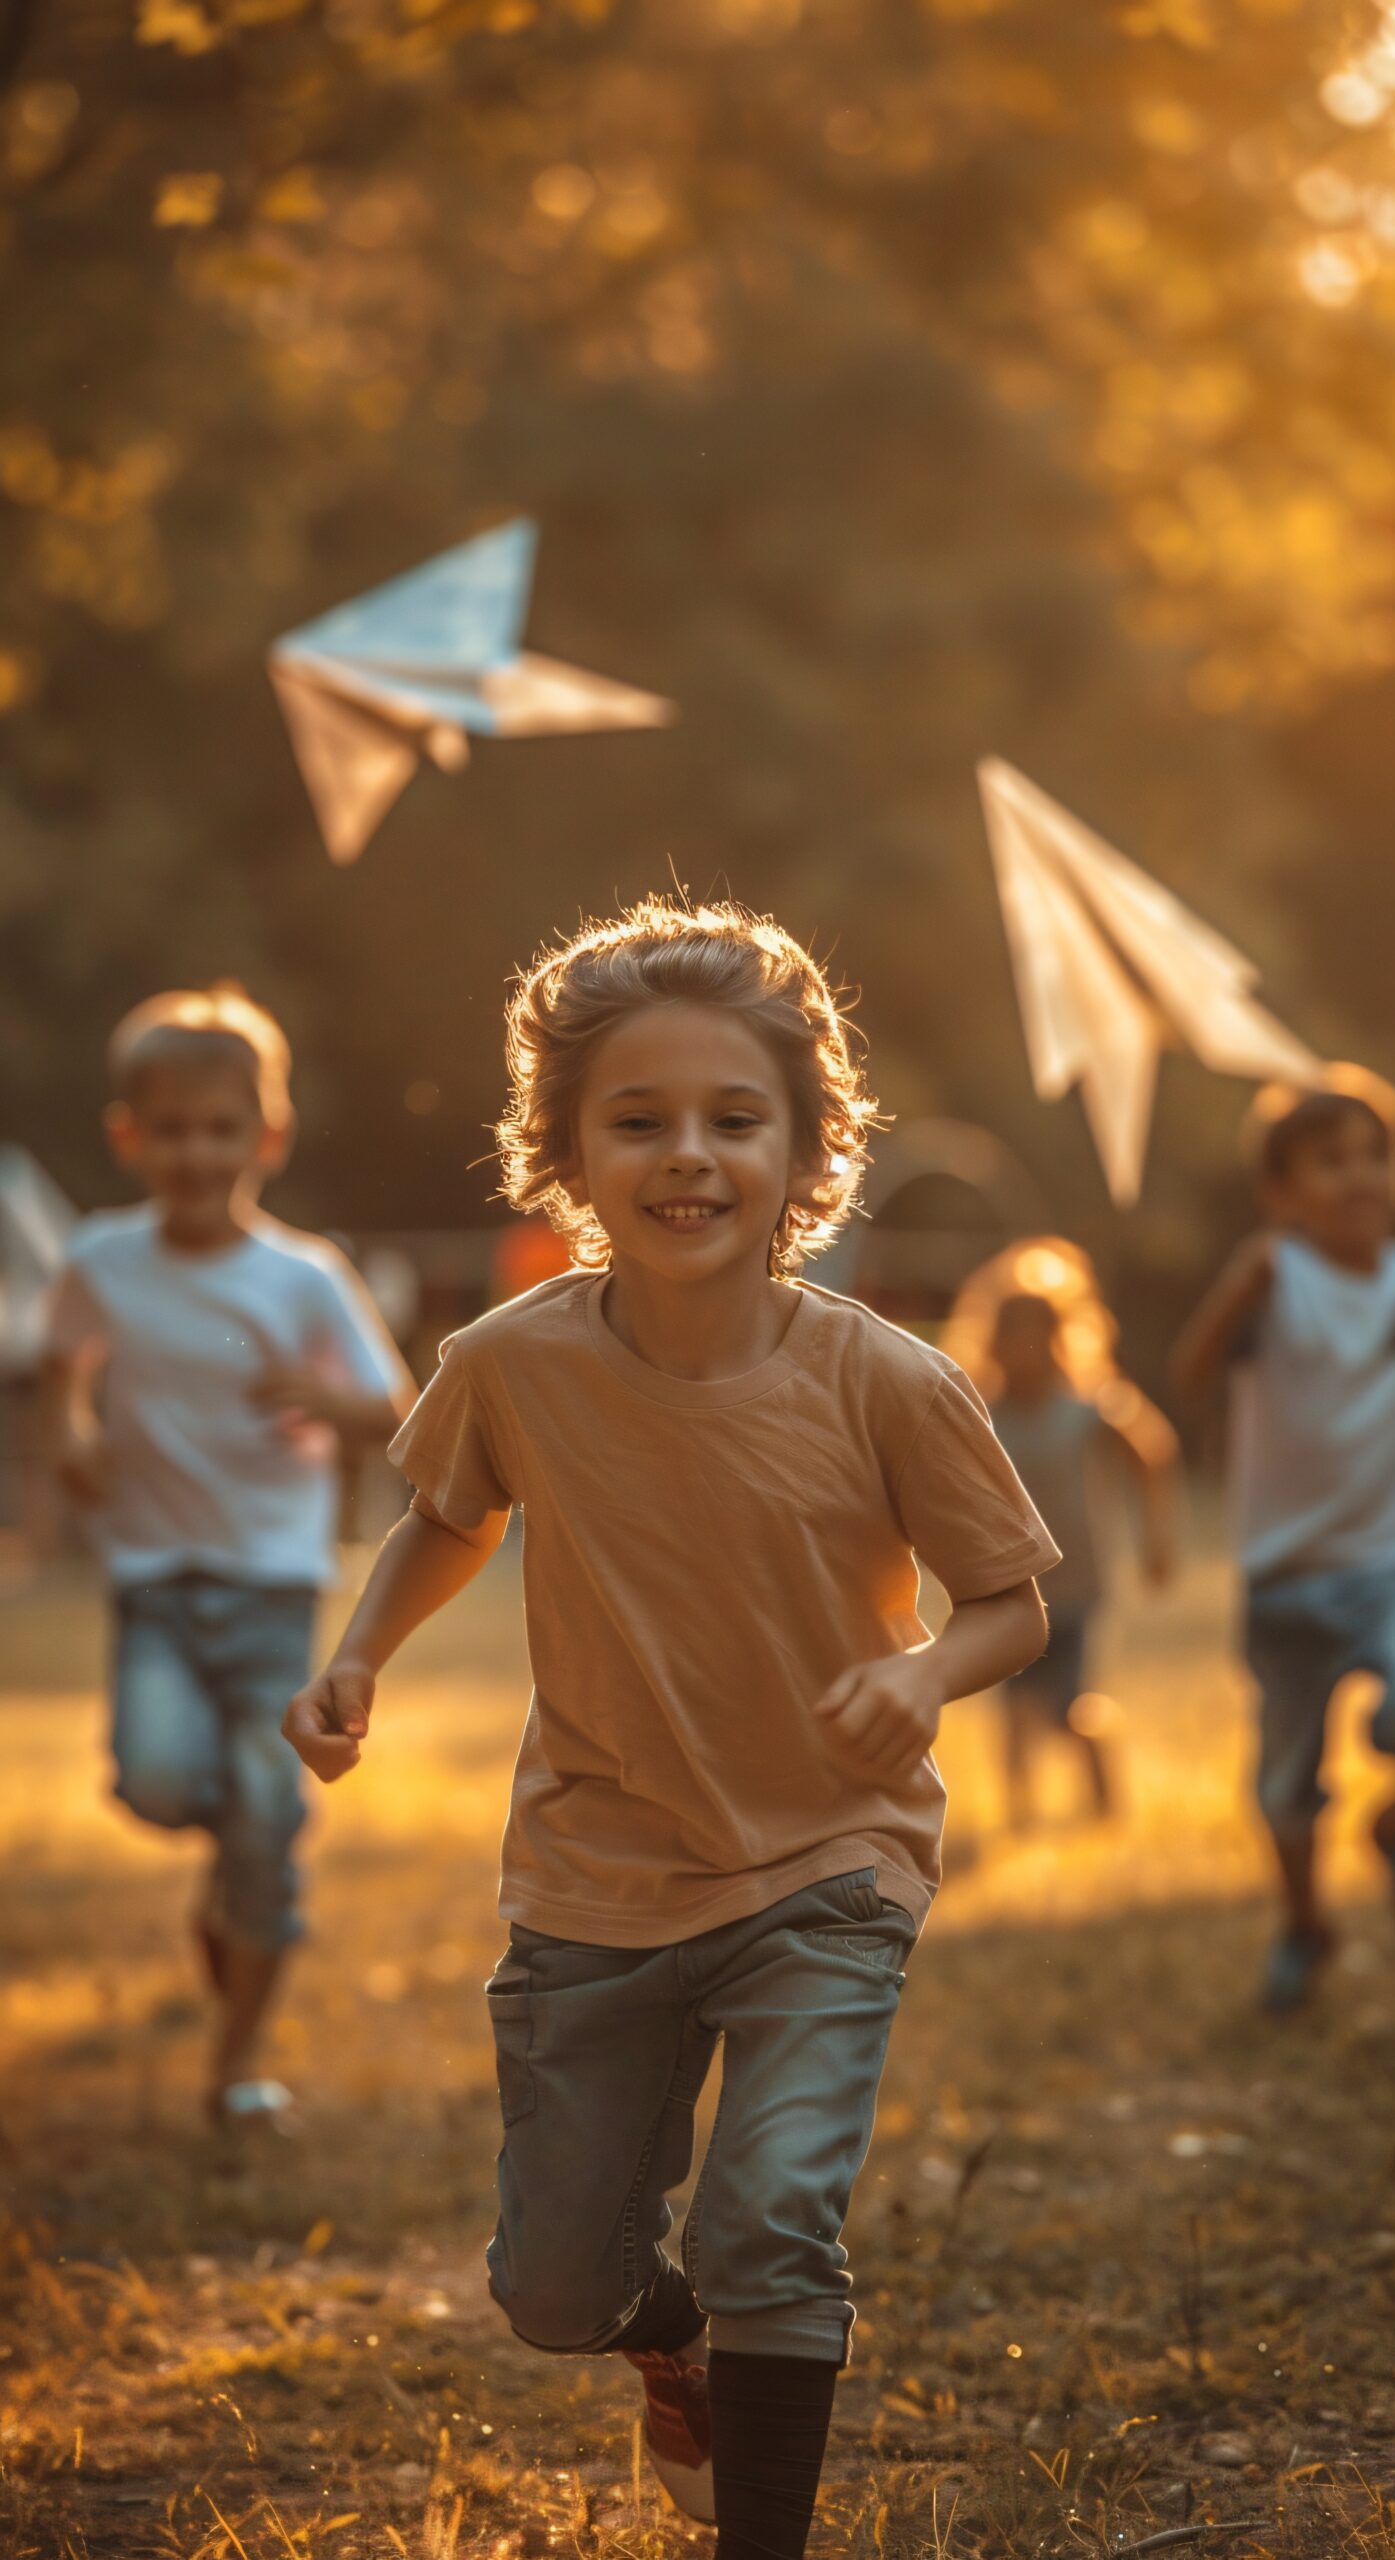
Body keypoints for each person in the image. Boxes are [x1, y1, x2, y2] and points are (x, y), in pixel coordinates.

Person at [283, 898, 1058, 2560]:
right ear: (563, 1147)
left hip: (828, 1868)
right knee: (555, 2289)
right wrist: (359, 1658)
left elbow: (1012, 1605)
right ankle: (667, 2340)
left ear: (805, 1149)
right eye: (636, 1121)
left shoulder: (891, 1383)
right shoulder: (510, 1363)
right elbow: (447, 1514)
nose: (686, 1156)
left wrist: (920, 1674)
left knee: (774, 2214)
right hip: (597, 1875)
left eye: (733, 1119)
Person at [40, 985, 414, 2127]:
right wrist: (72, 1434)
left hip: (270, 1582)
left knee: (268, 1812)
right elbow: (62, 1374)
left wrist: (321, 1394)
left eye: (221, 1128)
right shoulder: (101, 1258)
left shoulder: (301, 1277)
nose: (196, 1152)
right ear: (129, 1136)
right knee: (154, 1777)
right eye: (171, 1129)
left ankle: (236, 2061)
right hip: (153, 1577)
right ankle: (232, 1856)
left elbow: (396, 1408)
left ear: (269, 1135)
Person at [1170, 1073, 1395, 2014]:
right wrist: (1235, 1284)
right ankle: (1303, 1924)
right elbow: (1189, 1372)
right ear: (1280, 1195)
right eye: (1329, 1162)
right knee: (1287, 1785)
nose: (1359, 1176)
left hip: (1391, 1566)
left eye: (1374, 1157)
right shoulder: (1275, 1281)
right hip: (1285, 1575)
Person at [977, 1278, 1178, 1827]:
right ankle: (1019, 1817)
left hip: (1079, 1584)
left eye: (1036, 1337)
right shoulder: (980, 1413)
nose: (1023, 1351)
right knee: (1015, 1708)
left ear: (1059, 1339)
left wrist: (1156, 1540)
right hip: (1008, 1587)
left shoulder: (1086, 1410)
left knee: (1072, 1704)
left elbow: (1152, 1455)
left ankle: (1104, 1804)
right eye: (1012, 1337)